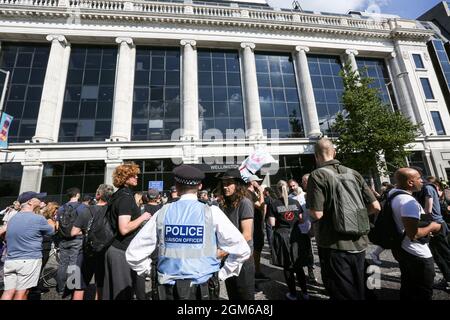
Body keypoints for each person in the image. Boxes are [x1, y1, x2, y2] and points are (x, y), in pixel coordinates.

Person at [126, 165, 251, 300]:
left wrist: (152, 273)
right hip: (204, 289)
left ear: (177, 186)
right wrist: (222, 274)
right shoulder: (211, 212)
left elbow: (133, 254)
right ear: (200, 186)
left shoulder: (163, 212)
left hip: (168, 289)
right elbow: (242, 249)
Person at [306, 138, 381, 300]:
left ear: (316, 156)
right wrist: (354, 216)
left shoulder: (317, 175)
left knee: (343, 292)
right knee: (362, 287)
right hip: (360, 242)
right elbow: (376, 206)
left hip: (333, 244)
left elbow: (317, 214)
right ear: (334, 152)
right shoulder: (354, 173)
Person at [390, 168, 443, 300]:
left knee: (408, 289)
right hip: (418, 254)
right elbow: (413, 234)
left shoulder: (392, 194)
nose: (422, 181)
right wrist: (432, 226)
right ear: (410, 182)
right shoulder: (408, 202)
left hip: (403, 249)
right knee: (422, 292)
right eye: (419, 178)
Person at [103, 162, 151, 300]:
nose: (137, 177)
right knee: (122, 293)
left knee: (114, 292)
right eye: (133, 175)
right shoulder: (125, 197)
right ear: (124, 177)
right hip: (121, 251)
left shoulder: (119, 195)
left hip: (117, 248)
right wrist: (143, 216)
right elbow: (124, 228)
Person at [1, 192, 55, 300]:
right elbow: (52, 231)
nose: (41, 201)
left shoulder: (12, 218)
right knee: (21, 294)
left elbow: (5, 235)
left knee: (8, 292)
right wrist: (50, 220)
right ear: (30, 202)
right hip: (29, 260)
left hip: (11, 260)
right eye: (38, 199)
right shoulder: (38, 219)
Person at [70, 184, 114, 300]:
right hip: (105, 251)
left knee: (79, 285)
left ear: (98, 195)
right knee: (101, 284)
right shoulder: (111, 211)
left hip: (87, 251)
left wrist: (86, 232)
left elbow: (73, 232)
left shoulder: (86, 210)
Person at [216, 169, 255, 300]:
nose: (225, 186)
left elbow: (247, 235)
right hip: (228, 258)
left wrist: (223, 251)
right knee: (233, 295)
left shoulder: (245, 202)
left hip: (242, 258)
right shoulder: (223, 204)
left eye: (229, 183)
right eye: (223, 183)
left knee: (245, 296)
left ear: (237, 184)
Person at [268, 180, 309, 300]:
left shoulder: (274, 204)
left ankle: (293, 294)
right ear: (288, 188)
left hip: (282, 235)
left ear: (278, 190)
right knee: (298, 265)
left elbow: (272, 223)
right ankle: (305, 293)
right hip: (296, 235)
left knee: (288, 266)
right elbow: (301, 220)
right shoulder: (295, 202)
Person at [413, 173, 450, 292]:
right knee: (441, 254)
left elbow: (428, 210)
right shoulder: (429, 187)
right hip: (436, 224)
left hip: (435, 225)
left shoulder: (427, 188)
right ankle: (447, 279)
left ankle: (448, 280)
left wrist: (423, 223)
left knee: (442, 255)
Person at [55, 187, 87, 297]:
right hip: (77, 238)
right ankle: (72, 290)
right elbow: (86, 224)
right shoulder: (82, 207)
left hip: (63, 239)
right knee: (74, 264)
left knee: (63, 264)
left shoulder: (61, 208)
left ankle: (60, 289)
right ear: (77, 195)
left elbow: (57, 226)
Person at [289, 177, 316, 283]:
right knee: (299, 249)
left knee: (309, 249)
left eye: (293, 185)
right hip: (296, 227)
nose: (292, 188)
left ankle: (311, 271)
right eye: (290, 186)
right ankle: (300, 272)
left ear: (297, 184)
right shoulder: (290, 197)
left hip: (307, 224)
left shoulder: (305, 195)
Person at [247, 174, 269, 280]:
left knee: (257, 248)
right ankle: (256, 272)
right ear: (252, 182)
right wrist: (261, 191)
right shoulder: (249, 193)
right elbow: (261, 205)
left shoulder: (251, 193)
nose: (259, 183)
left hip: (257, 223)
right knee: (256, 248)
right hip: (254, 225)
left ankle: (256, 270)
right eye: (257, 181)